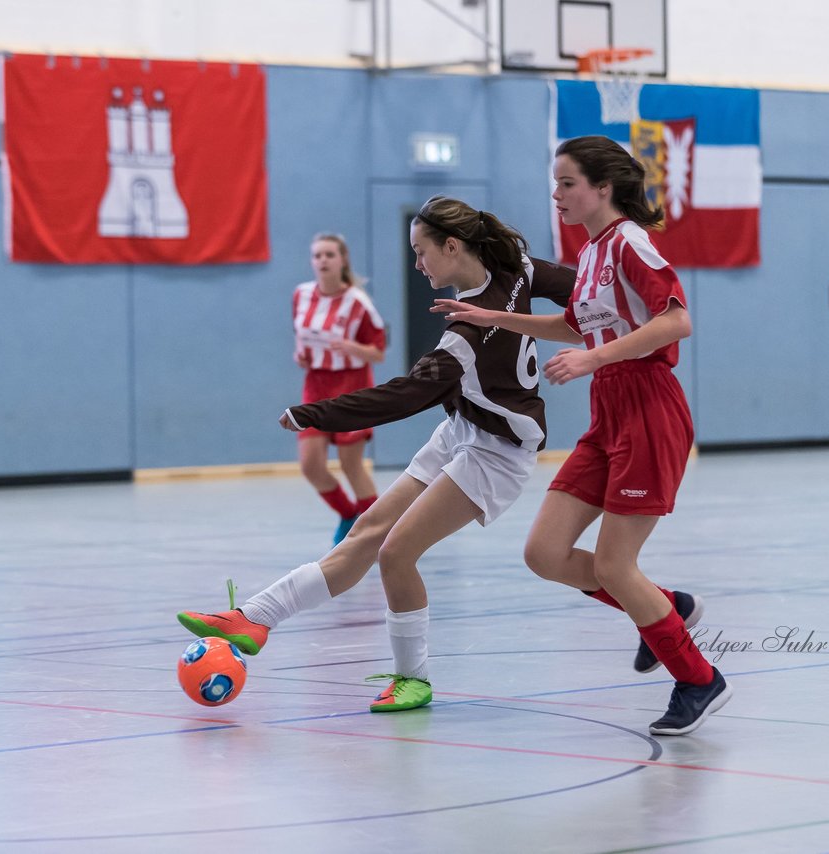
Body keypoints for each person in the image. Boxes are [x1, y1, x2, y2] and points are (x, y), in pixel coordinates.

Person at [178, 196, 574, 712]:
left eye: (421, 252)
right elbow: (580, 288)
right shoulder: (514, 268)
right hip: (461, 430)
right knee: (367, 532)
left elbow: (401, 396)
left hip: (498, 453)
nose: (416, 264)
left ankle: (415, 679)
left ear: (452, 247)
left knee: (396, 551)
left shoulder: (465, 337)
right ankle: (253, 617)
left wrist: (313, 414)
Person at [431, 135, 730, 736]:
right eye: (557, 182)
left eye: (567, 182)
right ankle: (669, 610)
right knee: (545, 554)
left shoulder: (630, 244)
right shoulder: (593, 251)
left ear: (603, 188)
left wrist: (595, 360)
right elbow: (575, 324)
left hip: (649, 409)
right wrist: (496, 318)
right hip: (608, 416)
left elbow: (677, 320)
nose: (557, 193)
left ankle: (698, 678)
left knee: (618, 567)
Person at [292, 234, 386, 545]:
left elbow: (377, 352)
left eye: (329, 254)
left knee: (350, 463)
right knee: (310, 464)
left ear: (342, 259)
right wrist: (301, 356)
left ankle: (378, 531)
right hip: (316, 384)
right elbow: (301, 341)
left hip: (351, 386)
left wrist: (349, 347)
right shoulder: (301, 295)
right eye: (317, 255)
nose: (323, 260)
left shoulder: (358, 303)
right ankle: (348, 513)